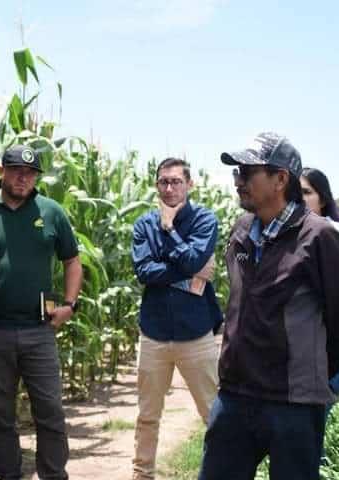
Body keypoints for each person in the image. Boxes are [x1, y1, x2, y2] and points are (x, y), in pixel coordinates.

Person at [198, 132, 339, 480]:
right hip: (235, 396)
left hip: (293, 405)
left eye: (247, 172)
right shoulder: (242, 230)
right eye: (236, 173)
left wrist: (314, 370)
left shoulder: (319, 237)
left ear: (280, 179)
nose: (238, 181)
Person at [0, 145, 83, 480]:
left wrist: (70, 304)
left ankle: (54, 475)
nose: (22, 177)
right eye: (15, 170)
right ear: (0, 170)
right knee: (0, 416)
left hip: (38, 330)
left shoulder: (51, 211)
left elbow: (72, 259)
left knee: (51, 412)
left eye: (29, 173)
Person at [131, 157, 222, 480]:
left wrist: (169, 229)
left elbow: (195, 257)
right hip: (154, 334)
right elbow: (144, 271)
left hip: (196, 336)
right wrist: (188, 276)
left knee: (213, 413)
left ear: (189, 184)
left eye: (176, 181)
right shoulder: (143, 224)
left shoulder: (204, 220)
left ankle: (219, 473)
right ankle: (143, 474)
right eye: (163, 182)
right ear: (157, 185)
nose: (169, 188)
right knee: (147, 416)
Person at [301, 167, 339, 410]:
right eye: (294, 192)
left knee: (310, 432)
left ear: (323, 199)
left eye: (306, 192)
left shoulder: (335, 234)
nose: (299, 198)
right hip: (300, 355)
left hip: (326, 354)